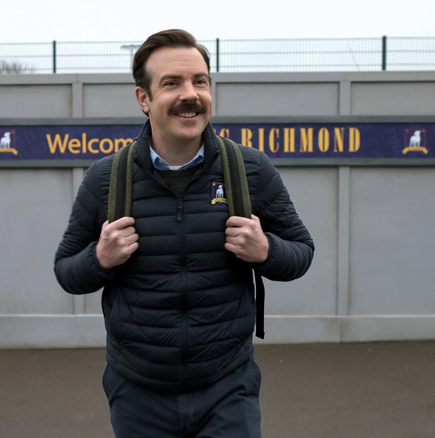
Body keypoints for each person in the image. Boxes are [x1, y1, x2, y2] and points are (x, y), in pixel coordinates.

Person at [54, 29, 314, 438]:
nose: (190, 94)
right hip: (138, 392)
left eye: (200, 81)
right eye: (171, 83)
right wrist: (99, 260)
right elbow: (66, 271)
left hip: (228, 387)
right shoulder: (106, 179)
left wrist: (265, 251)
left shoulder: (250, 170)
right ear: (144, 99)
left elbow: (302, 252)